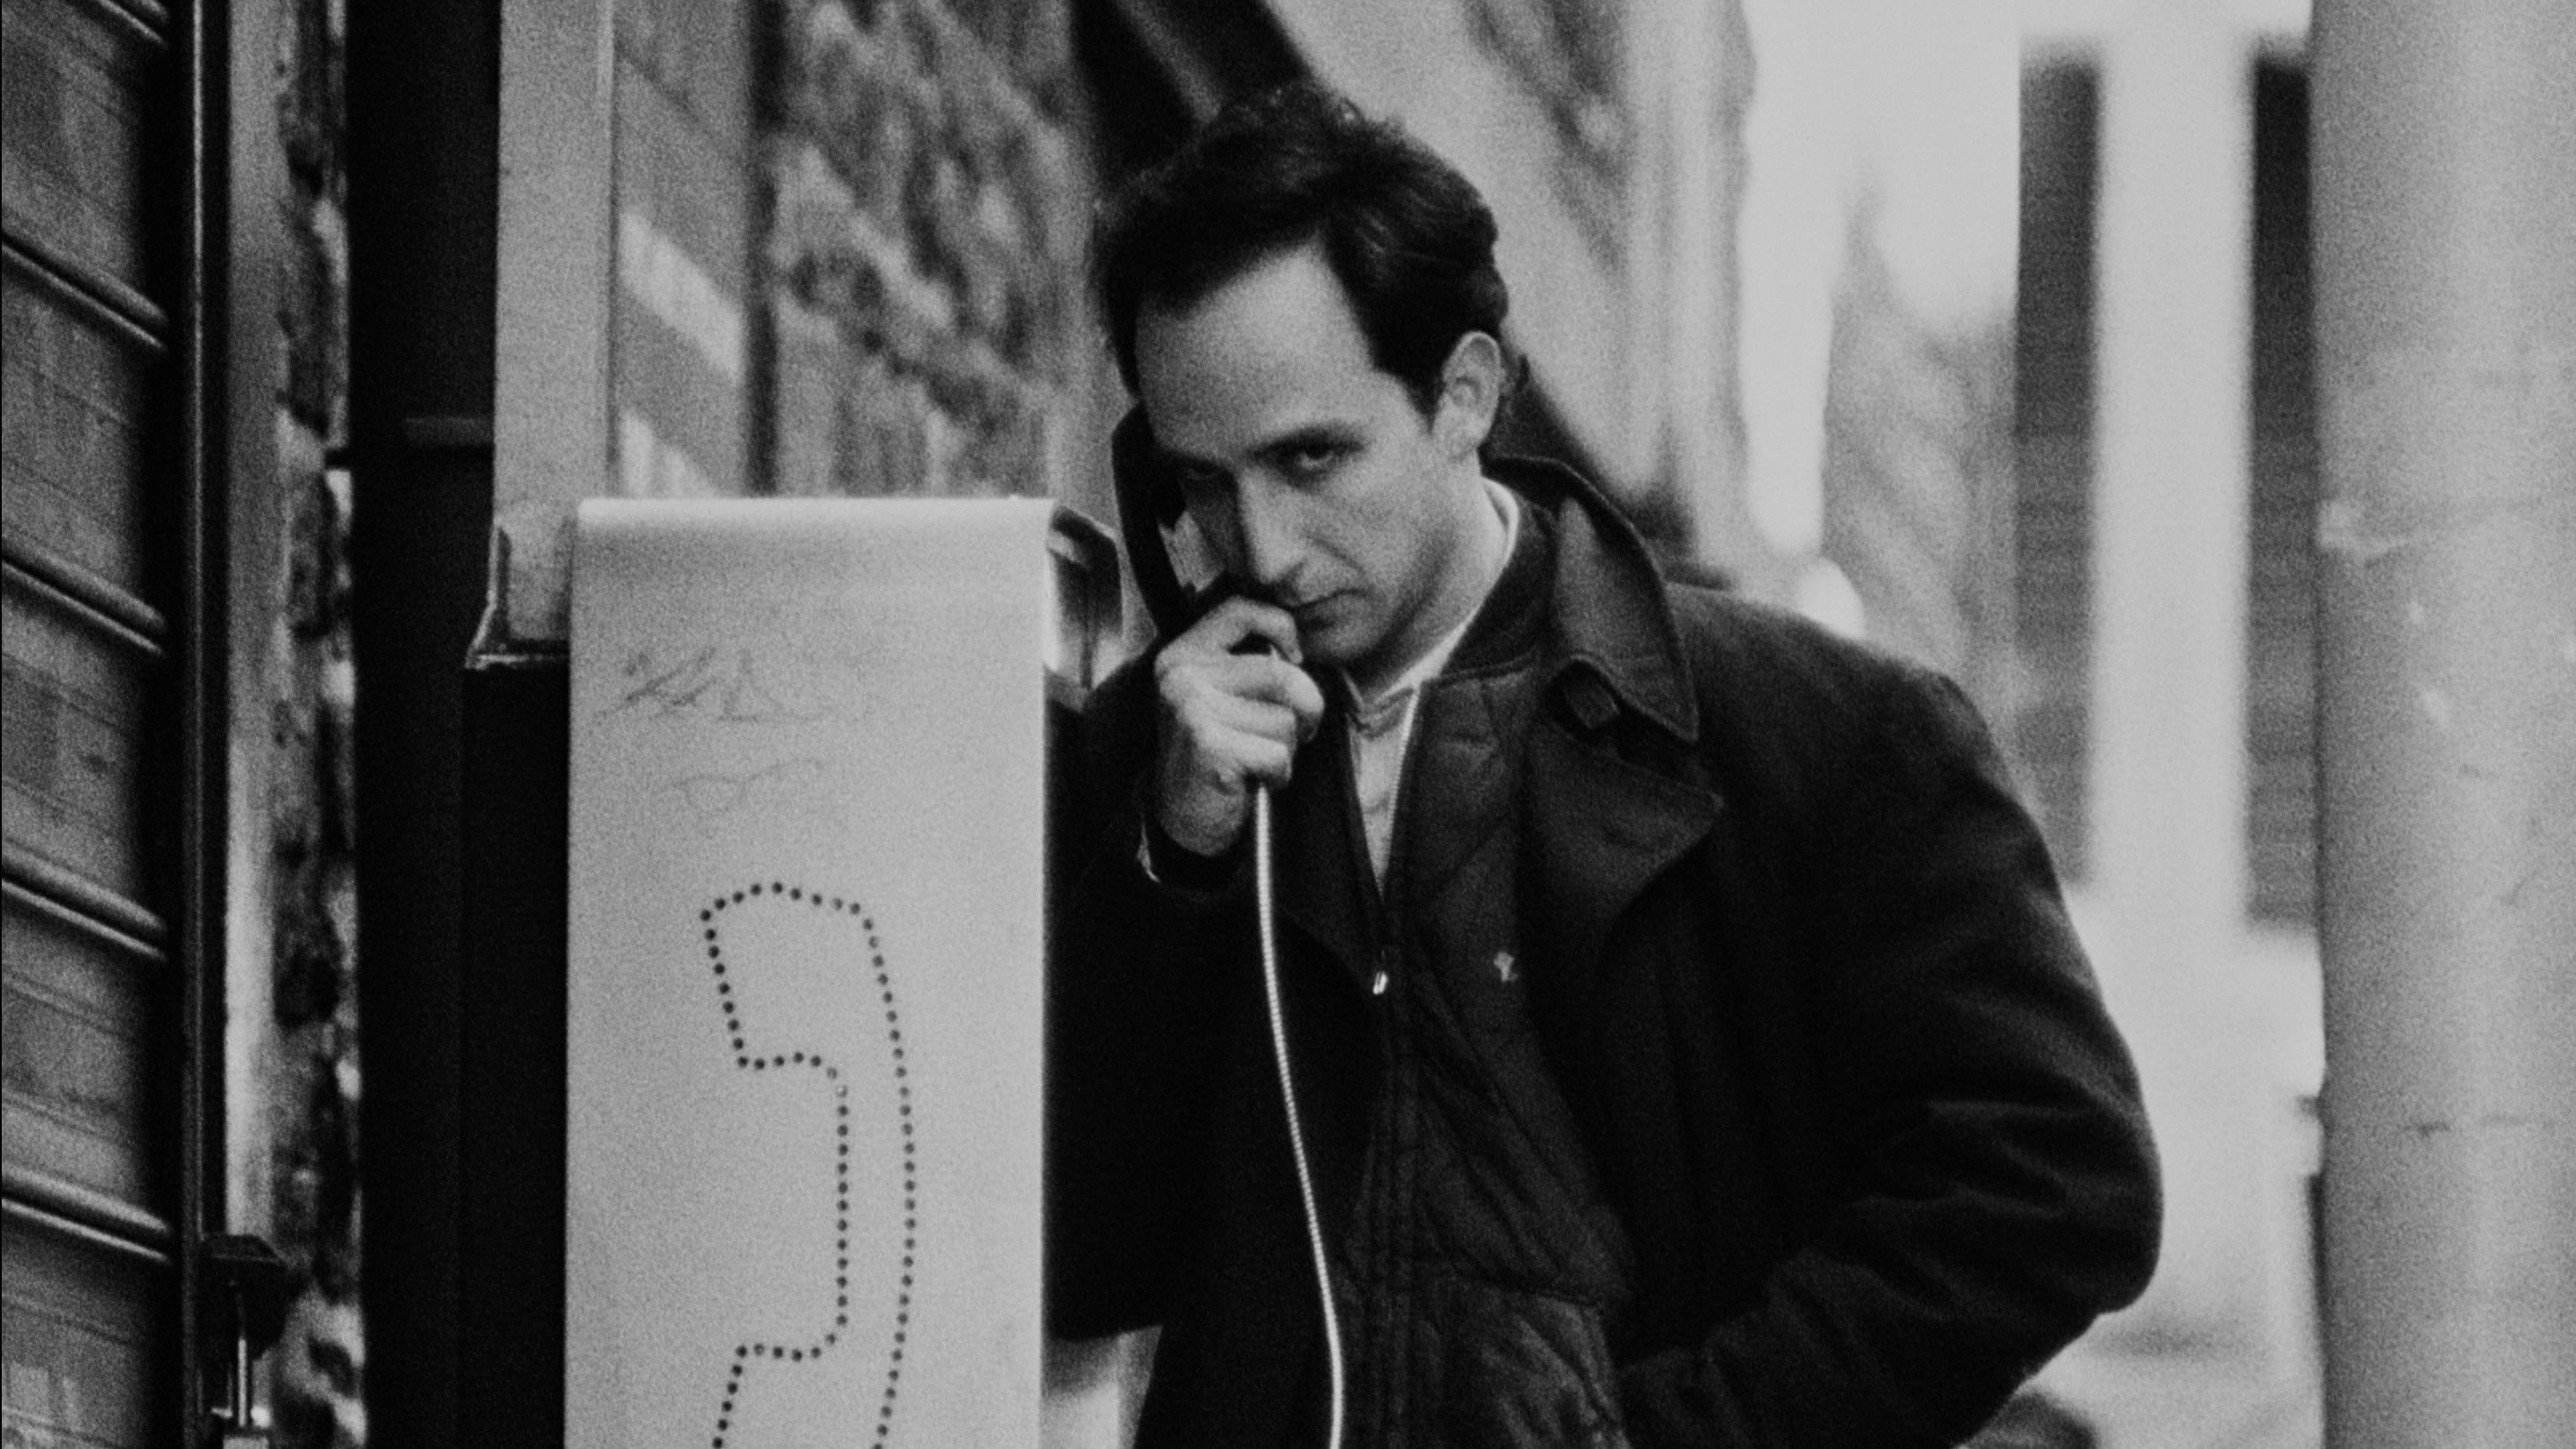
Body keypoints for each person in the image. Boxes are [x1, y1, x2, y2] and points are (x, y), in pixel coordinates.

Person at [1046, 81, 2160, 1449]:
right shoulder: (1163, 765)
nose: (1263, 547)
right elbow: (1078, 1266)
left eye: (1314, 458)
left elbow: (2052, 1186)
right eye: (1203, 485)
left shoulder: (1811, 735)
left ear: (1463, 393)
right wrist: (1172, 866)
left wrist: (1689, 1432)